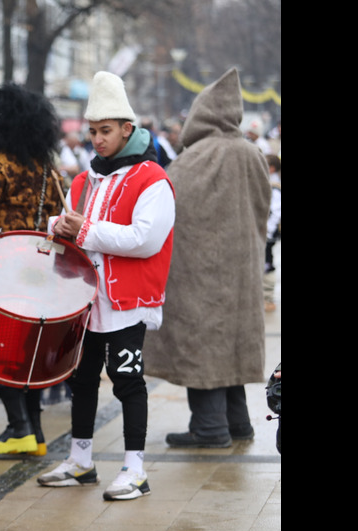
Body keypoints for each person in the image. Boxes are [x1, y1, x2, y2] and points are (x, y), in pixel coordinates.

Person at [38, 71, 175, 501]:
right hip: (85, 301)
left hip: (128, 301)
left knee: (128, 379)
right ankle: (81, 461)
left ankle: (135, 469)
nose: (96, 139)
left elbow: (144, 240)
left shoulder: (154, 179)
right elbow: (76, 231)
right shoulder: (84, 179)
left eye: (105, 131)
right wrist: (57, 227)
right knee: (81, 379)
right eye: (93, 131)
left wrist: (83, 231)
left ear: (127, 130)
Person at [144, 68, 271, 448]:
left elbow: (169, 207)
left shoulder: (196, 157)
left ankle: (210, 426)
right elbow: (262, 209)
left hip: (201, 273)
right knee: (229, 346)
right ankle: (237, 423)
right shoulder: (252, 153)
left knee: (203, 347)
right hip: (242, 271)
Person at [0, 84, 66, 456]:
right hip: (39, 271)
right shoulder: (46, 167)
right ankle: (35, 432)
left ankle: (18, 427)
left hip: (0, 272)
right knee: (29, 353)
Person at [263, 154, 281, 312]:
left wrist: (267, 233)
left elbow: (275, 212)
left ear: (272, 168)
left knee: (267, 265)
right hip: (264, 233)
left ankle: (268, 298)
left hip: (267, 234)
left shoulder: (274, 186)